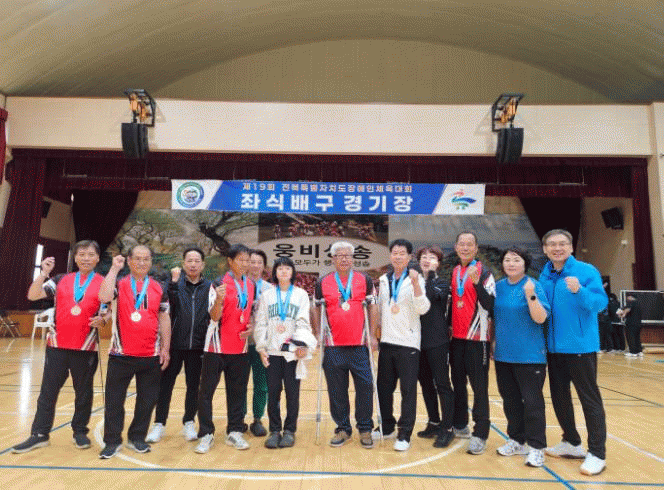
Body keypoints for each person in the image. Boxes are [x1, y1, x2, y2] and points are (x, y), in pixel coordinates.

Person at [12, 240, 107, 454]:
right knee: (48, 392)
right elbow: (33, 295)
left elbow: (108, 310)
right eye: (81, 254)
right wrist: (43, 273)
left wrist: (103, 320)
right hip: (57, 345)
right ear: (75, 258)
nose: (85, 258)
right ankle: (39, 434)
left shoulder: (103, 282)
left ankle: (80, 432)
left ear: (97, 258)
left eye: (90, 254)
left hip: (86, 347)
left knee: (83, 393)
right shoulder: (60, 279)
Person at [539, 229, 608, 476]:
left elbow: (600, 304)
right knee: (559, 397)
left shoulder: (586, 271)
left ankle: (597, 453)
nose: (557, 248)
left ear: (570, 247)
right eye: (552, 244)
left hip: (580, 348)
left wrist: (580, 291)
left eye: (562, 244)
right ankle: (571, 441)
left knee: (589, 399)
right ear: (545, 249)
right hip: (553, 349)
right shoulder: (545, 275)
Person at [98, 245, 171, 459]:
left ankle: (137, 437)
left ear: (151, 262)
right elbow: (103, 296)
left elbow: (164, 317)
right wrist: (114, 269)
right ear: (129, 260)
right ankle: (112, 441)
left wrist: (166, 348)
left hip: (151, 355)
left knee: (147, 401)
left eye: (146, 259)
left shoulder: (159, 287)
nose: (141, 262)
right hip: (120, 355)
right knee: (114, 401)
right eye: (137, 258)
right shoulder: (119, 283)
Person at [313, 241, 378, 449]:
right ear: (333, 259)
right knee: (337, 390)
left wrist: (373, 335)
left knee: (365, 386)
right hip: (333, 346)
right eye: (339, 255)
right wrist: (317, 333)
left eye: (348, 255)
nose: (344, 259)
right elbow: (316, 308)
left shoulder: (364, 280)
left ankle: (365, 428)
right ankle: (342, 428)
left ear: (353, 258)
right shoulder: (323, 282)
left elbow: (373, 307)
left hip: (360, 345)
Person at [146, 247, 211, 443]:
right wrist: (173, 284)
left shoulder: (209, 287)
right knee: (165, 386)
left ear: (203, 265)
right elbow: (166, 306)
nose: (193, 264)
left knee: (193, 387)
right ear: (183, 264)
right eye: (189, 261)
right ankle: (159, 423)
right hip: (173, 345)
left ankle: (189, 422)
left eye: (197, 261)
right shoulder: (173, 284)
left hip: (198, 346)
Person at [493, 247, 550, 467]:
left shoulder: (533, 285)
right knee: (511, 402)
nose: (511, 264)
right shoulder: (498, 287)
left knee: (532, 403)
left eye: (516, 260)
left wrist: (530, 295)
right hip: (504, 355)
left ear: (525, 264)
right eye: (507, 260)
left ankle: (536, 447)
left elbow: (540, 318)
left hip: (530, 356)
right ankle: (517, 440)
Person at [196, 244, 255, 453]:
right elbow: (214, 316)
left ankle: (235, 432)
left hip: (240, 348)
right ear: (230, 261)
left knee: (237, 392)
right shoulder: (218, 283)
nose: (245, 264)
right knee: (206, 393)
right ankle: (206, 434)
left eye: (247, 260)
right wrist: (219, 299)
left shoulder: (250, 284)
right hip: (216, 348)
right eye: (241, 259)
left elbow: (248, 312)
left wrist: (251, 326)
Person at [254, 257, 316, 448]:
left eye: (287, 268)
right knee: (273, 393)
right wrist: (261, 347)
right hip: (272, 352)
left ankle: (289, 431)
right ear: (275, 272)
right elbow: (261, 323)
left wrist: (301, 344)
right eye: (280, 268)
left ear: (292, 272)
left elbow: (304, 321)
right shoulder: (267, 295)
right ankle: (274, 430)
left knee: (292, 394)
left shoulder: (301, 294)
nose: (283, 271)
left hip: (292, 352)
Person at [375, 238, 430, 451]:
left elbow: (423, 308)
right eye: (394, 253)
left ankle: (404, 433)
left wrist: (416, 284)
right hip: (387, 342)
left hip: (408, 343)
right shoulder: (383, 279)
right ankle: (387, 426)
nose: (398, 257)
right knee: (384, 389)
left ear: (409, 257)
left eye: (402, 253)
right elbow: (381, 308)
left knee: (408, 390)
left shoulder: (416, 278)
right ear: (390, 256)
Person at [449, 231, 495, 455]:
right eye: (462, 244)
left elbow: (490, 305)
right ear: (456, 247)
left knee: (479, 388)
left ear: (476, 248)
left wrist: (477, 284)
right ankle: (460, 424)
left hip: (477, 340)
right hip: (457, 339)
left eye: (470, 244)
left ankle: (480, 434)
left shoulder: (484, 272)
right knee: (458, 384)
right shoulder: (455, 271)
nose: (465, 248)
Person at [415, 245, 455, 448]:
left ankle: (448, 428)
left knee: (442, 384)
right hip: (416, 341)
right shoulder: (412, 282)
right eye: (423, 256)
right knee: (425, 384)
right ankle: (433, 422)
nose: (427, 259)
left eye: (432, 257)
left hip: (437, 341)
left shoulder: (441, 283)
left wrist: (429, 275)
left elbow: (430, 297)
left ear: (438, 263)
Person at [242, 249, 271, 437]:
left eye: (259, 262)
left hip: (262, 343)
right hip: (241, 342)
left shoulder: (270, 289)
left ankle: (258, 418)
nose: (255, 265)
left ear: (264, 266)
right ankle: (239, 418)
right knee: (240, 382)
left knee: (261, 383)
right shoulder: (238, 285)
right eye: (252, 262)